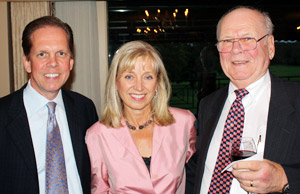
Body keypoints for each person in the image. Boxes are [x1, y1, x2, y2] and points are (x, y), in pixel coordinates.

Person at [191, 5, 300, 194]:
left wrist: (284, 179)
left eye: (247, 38)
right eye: (227, 40)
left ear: (271, 46)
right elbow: (196, 169)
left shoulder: (296, 100)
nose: (236, 49)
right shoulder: (207, 104)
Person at [0, 16, 98, 194]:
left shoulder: (85, 109)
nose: (53, 63)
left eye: (61, 53)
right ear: (27, 62)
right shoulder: (2, 115)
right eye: (42, 54)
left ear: (71, 62)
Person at [86, 40, 197, 194]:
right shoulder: (97, 135)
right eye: (129, 77)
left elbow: (196, 177)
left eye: (148, 77)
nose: (139, 87)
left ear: (157, 82)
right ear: (116, 81)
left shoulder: (184, 123)